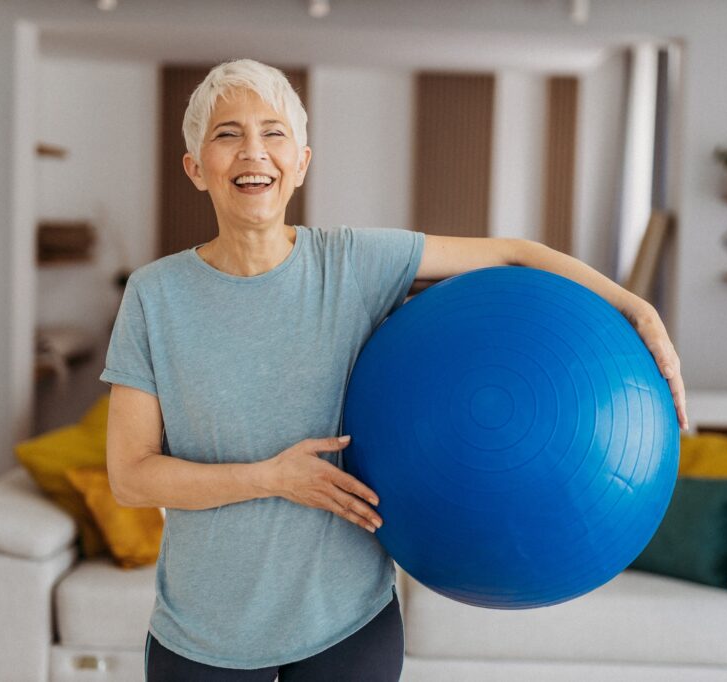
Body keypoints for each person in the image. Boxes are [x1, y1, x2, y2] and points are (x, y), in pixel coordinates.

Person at [101, 58, 688, 682]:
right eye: (227, 134)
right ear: (196, 167)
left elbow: (516, 254)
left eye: (274, 133)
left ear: (301, 161)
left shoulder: (354, 263)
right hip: (203, 632)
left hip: (346, 623)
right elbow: (131, 477)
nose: (254, 152)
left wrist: (638, 309)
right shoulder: (155, 296)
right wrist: (271, 478)